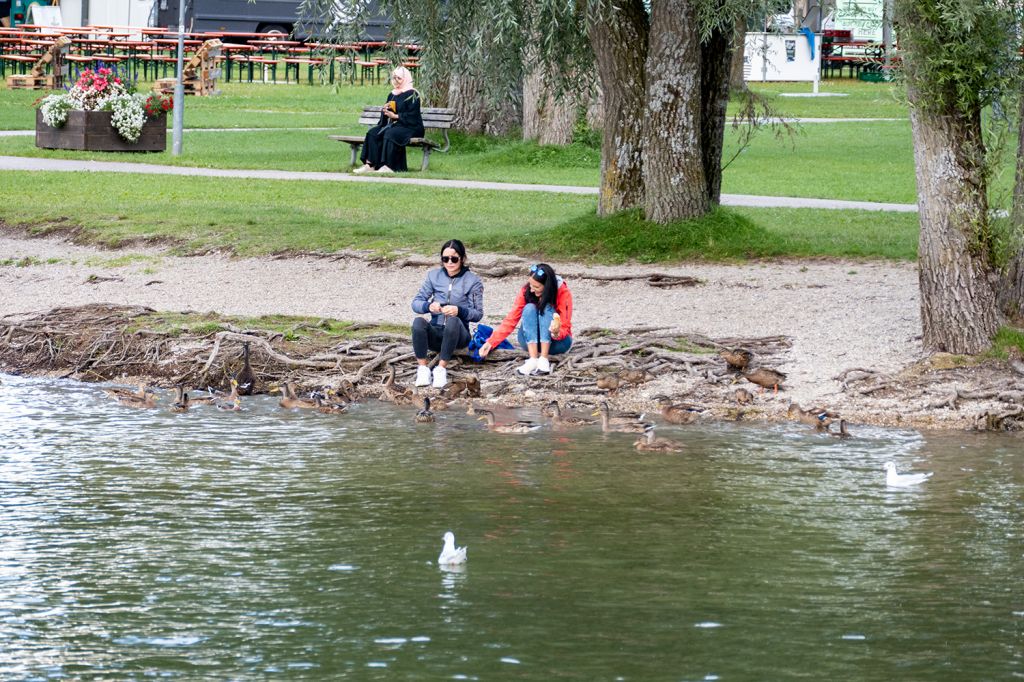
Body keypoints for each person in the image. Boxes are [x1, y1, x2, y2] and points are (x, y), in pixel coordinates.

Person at [411, 239, 484, 388]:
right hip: (436, 330)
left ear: (462, 259)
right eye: (445, 259)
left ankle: (441, 370)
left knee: (453, 320)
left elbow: (478, 314)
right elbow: (416, 303)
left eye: (454, 259)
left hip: (459, 334)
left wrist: (459, 311)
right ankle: (423, 369)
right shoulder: (433, 276)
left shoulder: (473, 281)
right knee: (418, 322)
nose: (450, 262)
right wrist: (429, 306)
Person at [478, 263, 573, 375]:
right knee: (529, 308)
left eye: (536, 287)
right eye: (530, 285)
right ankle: (533, 359)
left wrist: (556, 333)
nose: (532, 290)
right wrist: (491, 342)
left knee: (546, 308)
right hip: (530, 342)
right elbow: (511, 319)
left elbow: (565, 326)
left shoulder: (562, 292)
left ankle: (543, 359)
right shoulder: (527, 290)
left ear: (547, 287)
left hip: (557, 343)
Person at [352, 66, 424, 175]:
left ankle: (389, 166)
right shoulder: (393, 94)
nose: (396, 81)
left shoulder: (413, 94)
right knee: (373, 133)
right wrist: (385, 111)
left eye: (399, 78)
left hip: (411, 127)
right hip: (396, 126)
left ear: (405, 79)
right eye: (394, 78)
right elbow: (387, 117)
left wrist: (396, 116)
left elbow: (413, 116)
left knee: (390, 133)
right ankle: (370, 165)